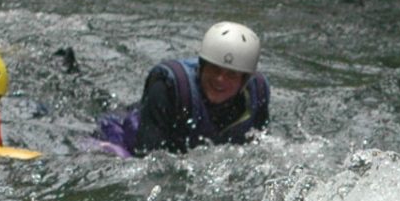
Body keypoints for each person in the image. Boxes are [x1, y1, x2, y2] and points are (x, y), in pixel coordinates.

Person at [93, 22, 271, 156]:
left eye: (231, 74)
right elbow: (148, 156)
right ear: (201, 66)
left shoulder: (257, 93)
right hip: (125, 139)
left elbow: (259, 147)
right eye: (214, 69)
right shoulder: (166, 87)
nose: (220, 79)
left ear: (244, 80)